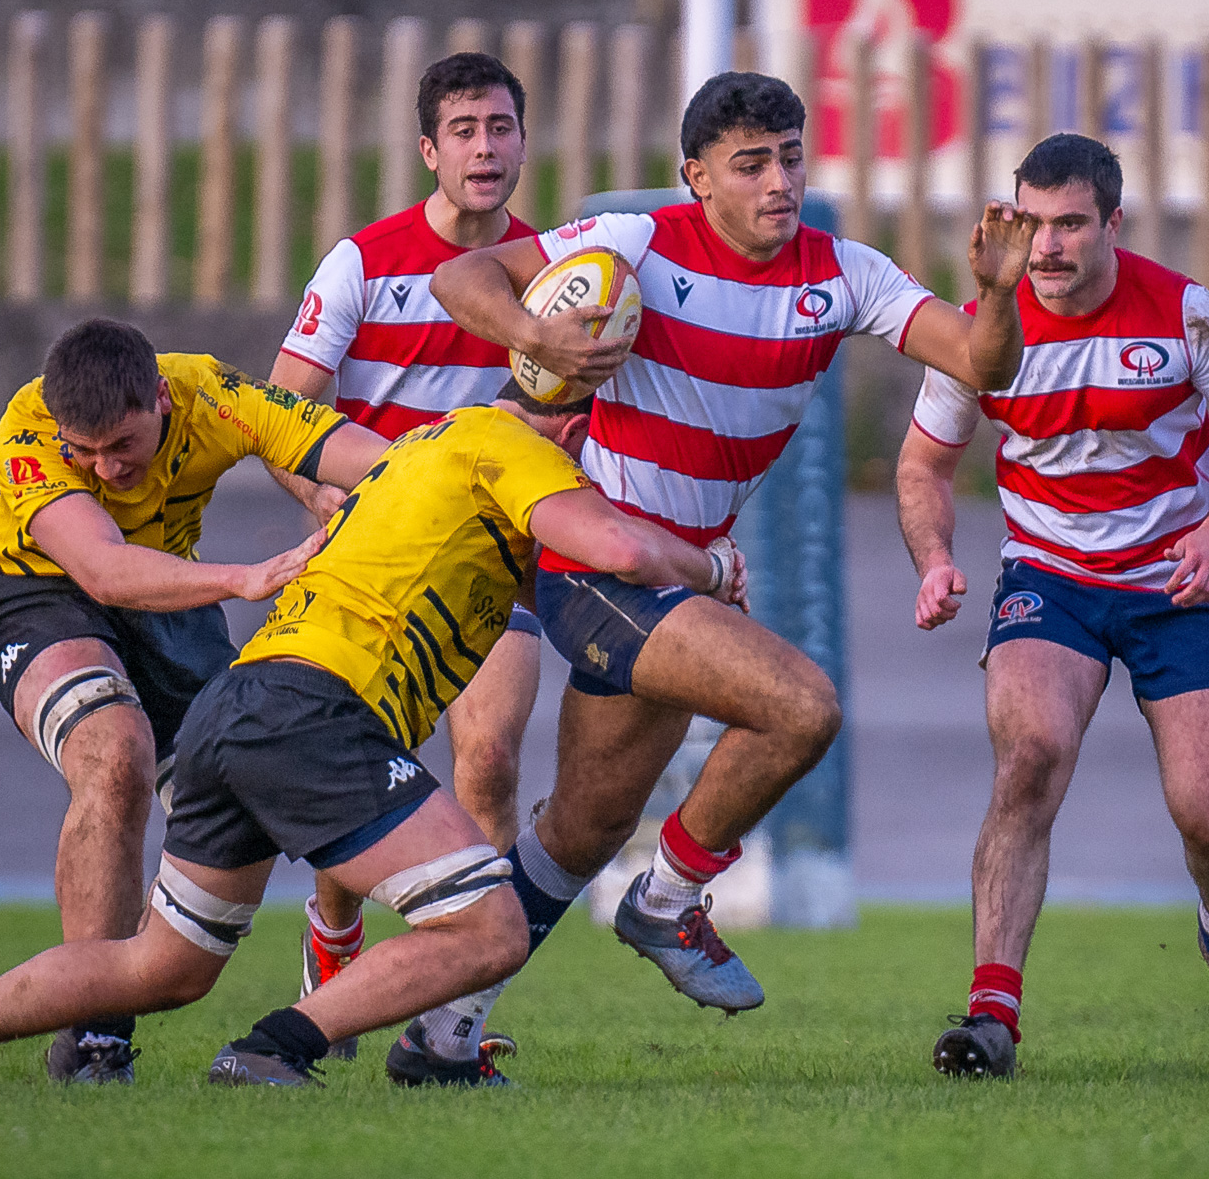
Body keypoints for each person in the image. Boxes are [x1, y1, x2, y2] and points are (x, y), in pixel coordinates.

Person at [0, 382, 749, 1090]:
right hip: (310, 711)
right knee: (488, 923)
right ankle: (275, 1048)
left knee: (164, 965)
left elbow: (556, 581)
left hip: (238, 699)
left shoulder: (419, 460)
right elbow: (618, 550)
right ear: (577, 431)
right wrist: (710, 565)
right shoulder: (512, 444)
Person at [425, 71, 1035, 1028]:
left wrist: (997, 291)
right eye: (749, 165)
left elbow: (984, 363)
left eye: (789, 158)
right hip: (605, 564)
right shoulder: (639, 243)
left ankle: (439, 1032)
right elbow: (458, 276)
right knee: (801, 708)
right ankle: (666, 903)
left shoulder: (845, 274)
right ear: (695, 178)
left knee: (580, 829)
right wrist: (539, 334)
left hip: (684, 574)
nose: (777, 183)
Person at [897, 133, 1209, 1077]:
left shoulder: (1183, 313)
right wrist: (933, 557)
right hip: (1050, 577)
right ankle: (992, 1017)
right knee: (1029, 757)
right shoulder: (981, 332)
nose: (1046, 246)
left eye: (1070, 223)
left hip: (1176, 583)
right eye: (1030, 223)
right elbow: (923, 463)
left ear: (1112, 223)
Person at [0, 318, 387, 1083]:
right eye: (81, 452)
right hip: (37, 594)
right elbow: (104, 570)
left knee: (276, 768)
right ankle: (96, 1035)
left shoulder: (210, 392)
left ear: (160, 399)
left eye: (121, 445)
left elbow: (362, 454)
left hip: (169, 604)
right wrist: (244, 579)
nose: (103, 468)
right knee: (114, 754)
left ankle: (326, 948)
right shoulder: (26, 426)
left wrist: (448, 467)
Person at [264, 52, 564, 1067]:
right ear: (430, 150)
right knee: (363, 763)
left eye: (502, 127)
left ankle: (448, 1019)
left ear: (525, 141)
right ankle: (335, 934)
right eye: (466, 130)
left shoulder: (553, 270)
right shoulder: (363, 260)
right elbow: (285, 410)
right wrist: (336, 503)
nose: (487, 146)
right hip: (370, 562)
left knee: (489, 756)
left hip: (488, 562)